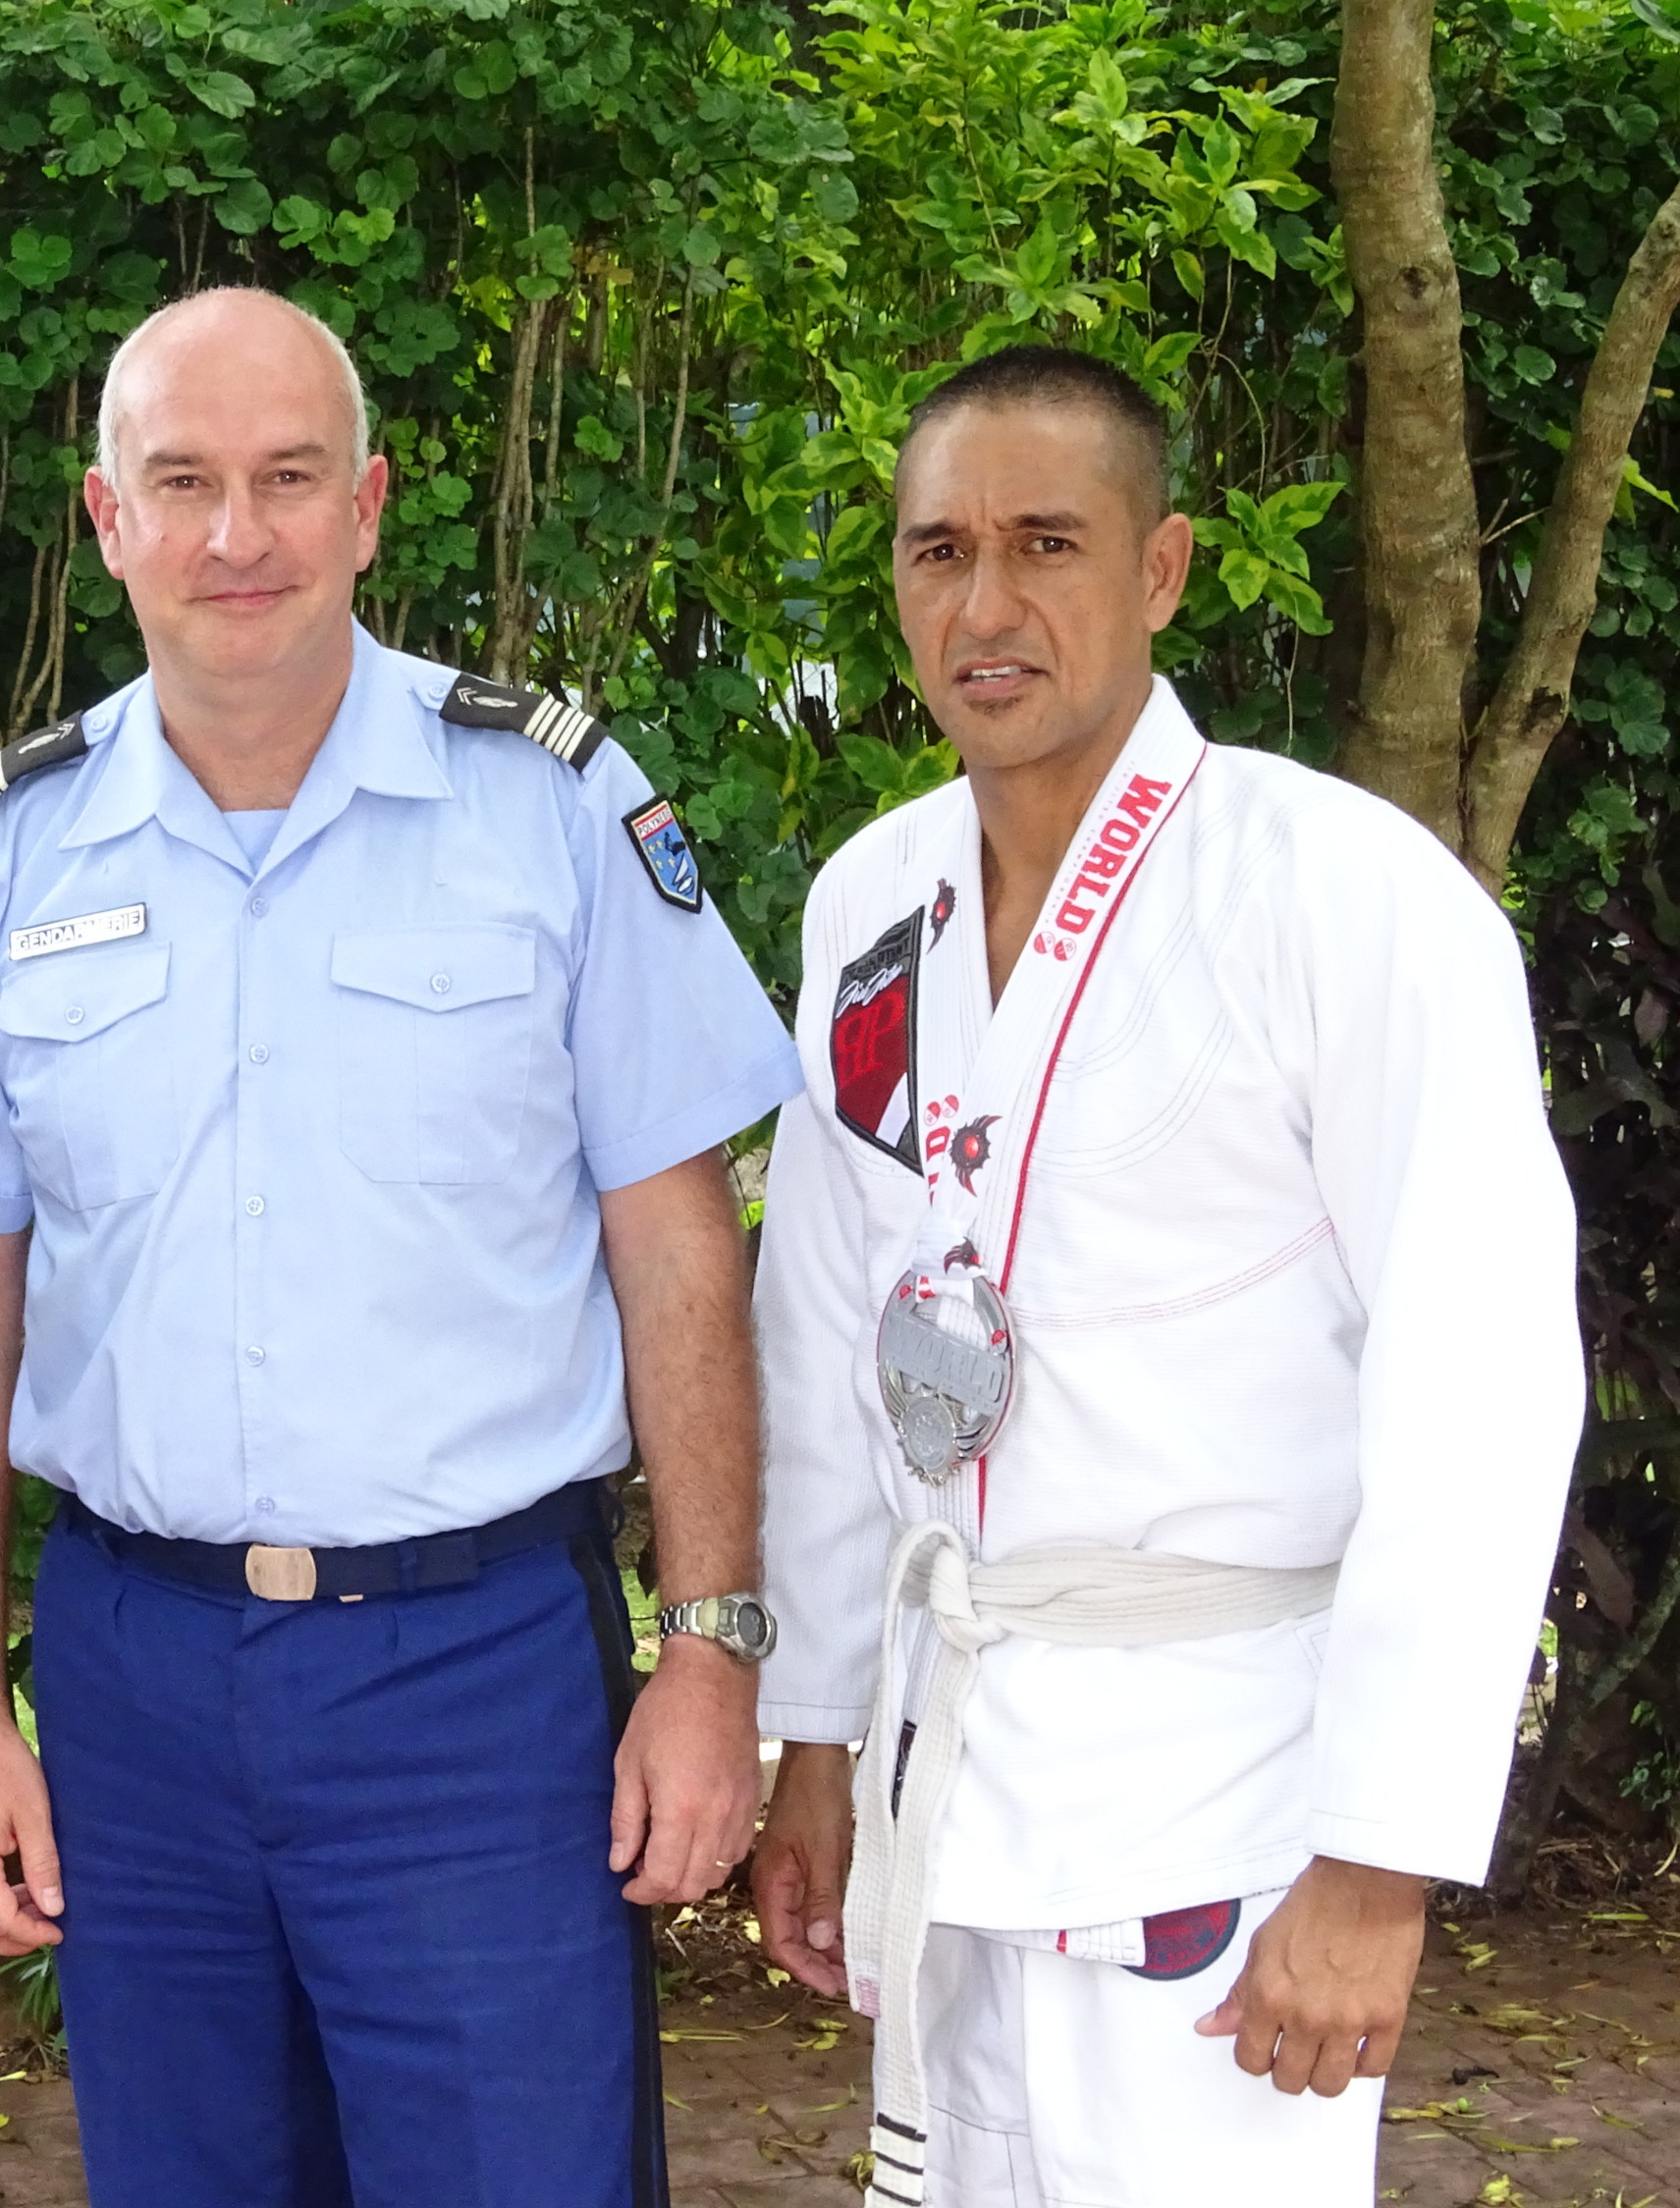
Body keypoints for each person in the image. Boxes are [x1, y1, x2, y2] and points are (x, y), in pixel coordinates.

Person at [0, 285, 801, 2207]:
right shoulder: (8, 854)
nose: (237, 535)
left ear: (365, 507)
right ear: (104, 518)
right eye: (182, 482)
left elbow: (677, 1250)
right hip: (134, 1673)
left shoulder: (546, 804)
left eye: (288, 479)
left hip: (473, 1677)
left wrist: (707, 1653)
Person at [746, 345, 1582, 2207]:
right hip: (954, 1775)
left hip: (1233, 1796)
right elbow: (820, 1345)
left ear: (1166, 568)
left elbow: (1483, 1378)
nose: (986, 604)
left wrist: (1378, 1855)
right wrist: (811, 1728)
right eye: (938, 549)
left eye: (1048, 542)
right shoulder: (868, 908)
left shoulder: (1346, 896)